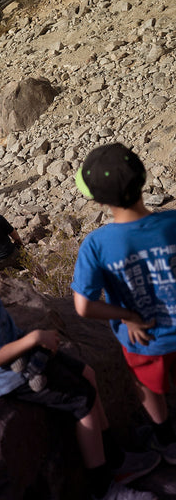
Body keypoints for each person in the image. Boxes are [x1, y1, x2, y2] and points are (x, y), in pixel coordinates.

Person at [0, 220, 159, 500]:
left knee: (88, 374)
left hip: (15, 345)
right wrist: (35, 339)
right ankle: (106, 486)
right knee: (83, 400)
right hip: (10, 373)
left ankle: (116, 455)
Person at [72, 142, 176, 465]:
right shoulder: (172, 223)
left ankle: (166, 441)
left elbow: (83, 307)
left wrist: (127, 316)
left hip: (144, 341)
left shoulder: (97, 245)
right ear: (142, 179)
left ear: (99, 200)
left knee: (148, 386)